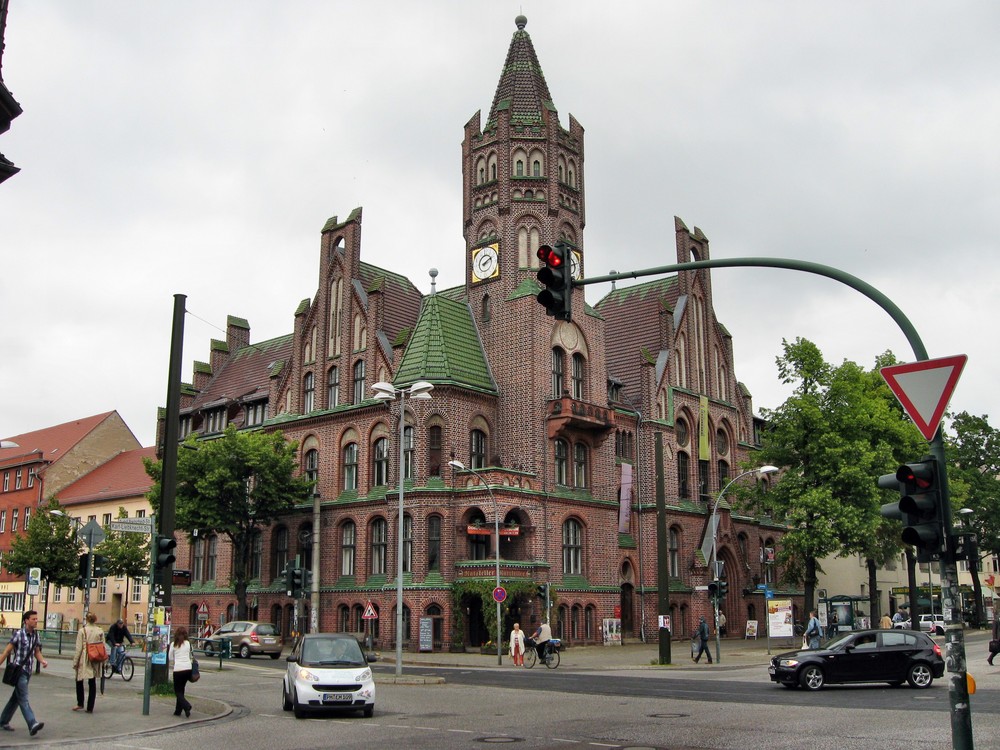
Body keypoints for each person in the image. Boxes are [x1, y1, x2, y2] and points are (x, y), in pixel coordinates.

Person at [0, 610, 48, 736]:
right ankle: (32, 723)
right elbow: (6, 652)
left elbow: (36, 651)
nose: (36, 621)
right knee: (23, 699)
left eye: (37, 619)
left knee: (15, 699)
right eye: (33, 619)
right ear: (26, 620)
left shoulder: (36, 635)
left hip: (28, 672)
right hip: (19, 670)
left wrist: (42, 661)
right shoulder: (19, 634)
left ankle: (3, 721)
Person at [73, 611, 104, 713]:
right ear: (95, 620)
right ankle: (90, 707)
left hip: (85, 656)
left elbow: (78, 648)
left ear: (86, 619)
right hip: (95, 657)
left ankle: (80, 703)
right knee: (92, 681)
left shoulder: (82, 631)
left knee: (79, 679)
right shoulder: (100, 630)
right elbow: (102, 645)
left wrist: (75, 662)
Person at [168, 626, 193, 718]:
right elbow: (190, 655)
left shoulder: (173, 644)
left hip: (178, 669)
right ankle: (178, 710)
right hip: (188, 669)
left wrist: (175, 660)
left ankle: (187, 706)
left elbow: (169, 657)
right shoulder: (188, 643)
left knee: (177, 691)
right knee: (181, 689)